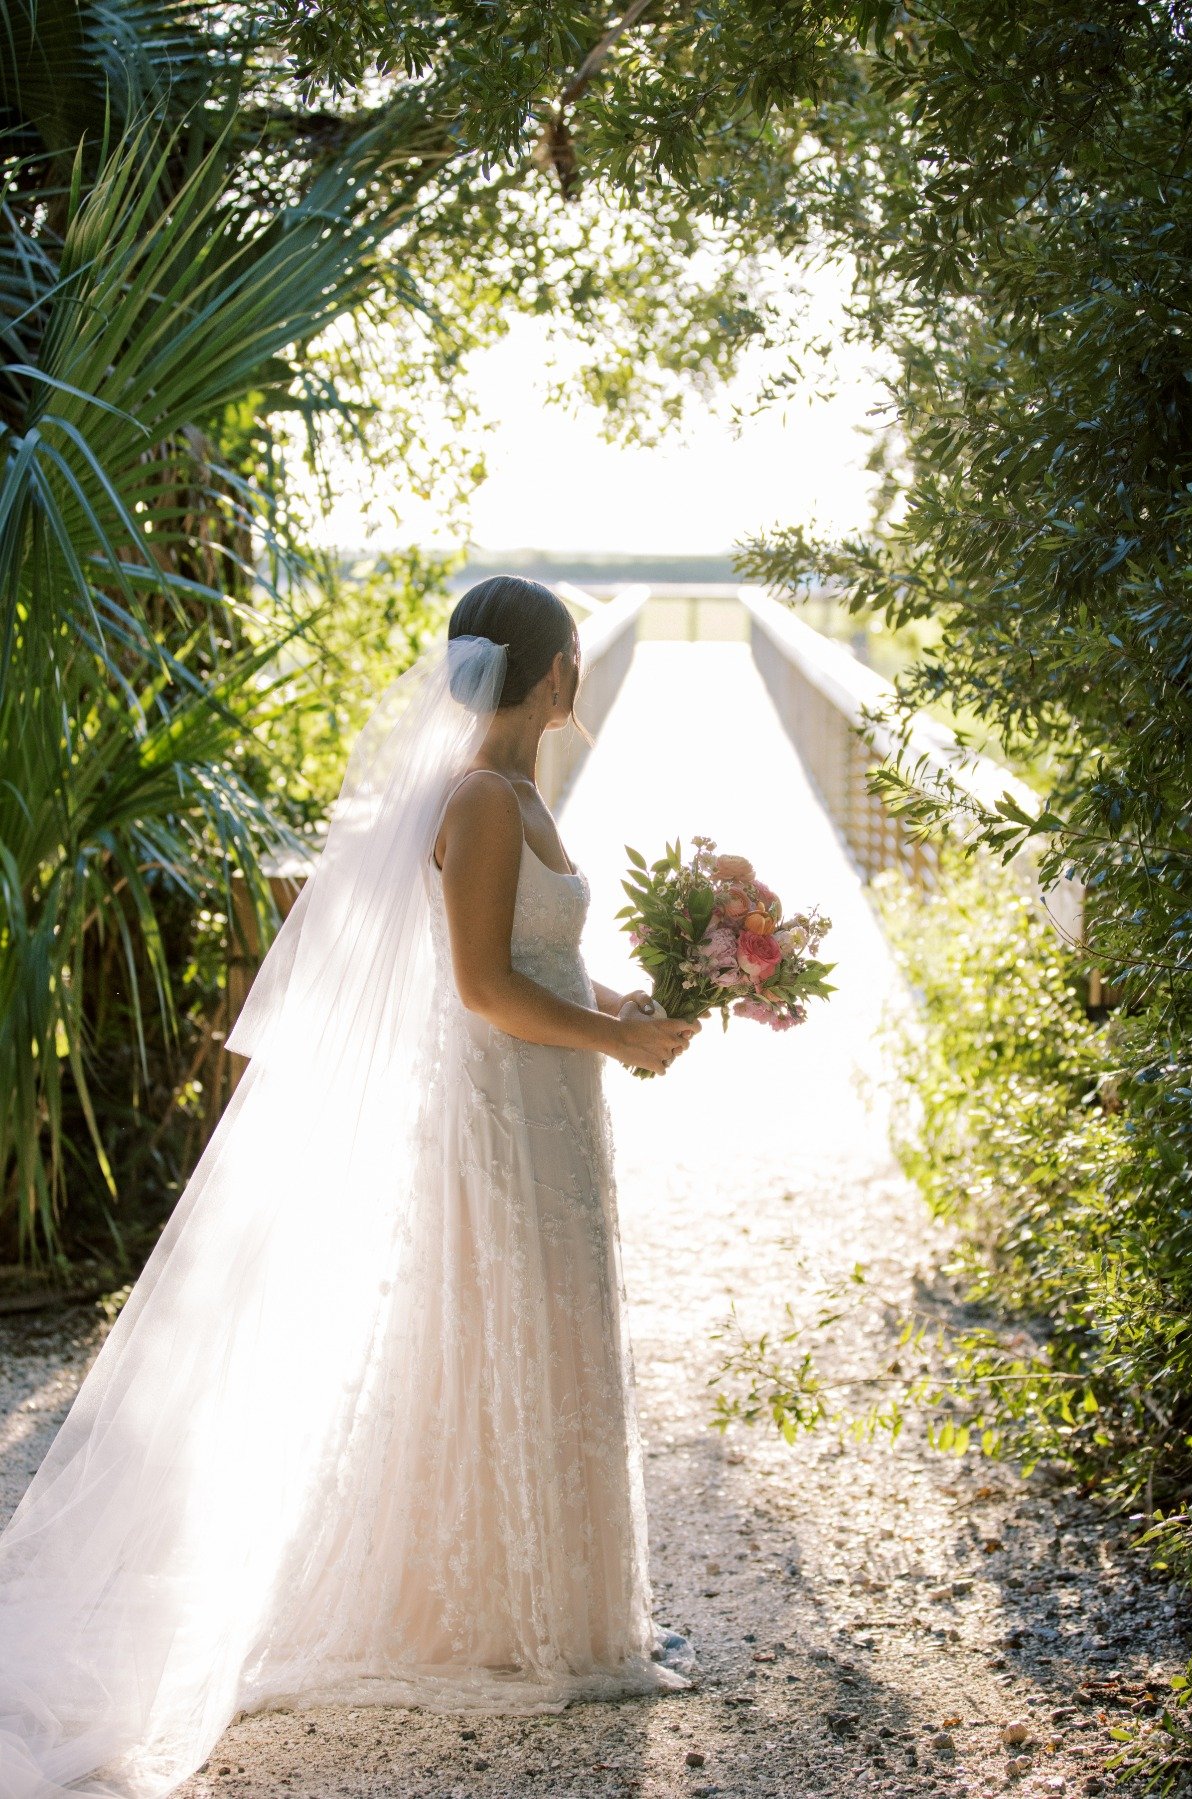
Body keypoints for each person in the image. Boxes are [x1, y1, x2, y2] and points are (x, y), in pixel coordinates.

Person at [0, 576, 699, 1799]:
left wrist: (620, 1008)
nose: (575, 678)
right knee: (502, 1322)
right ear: (546, 674)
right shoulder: (482, 799)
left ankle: (566, 1605)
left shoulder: (523, 792)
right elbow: (481, 988)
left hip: (554, 1106)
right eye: (571, 659)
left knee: (554, 1327)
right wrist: (614, 1044)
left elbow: (543, 961)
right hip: (499, 1109)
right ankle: (493, 1611)